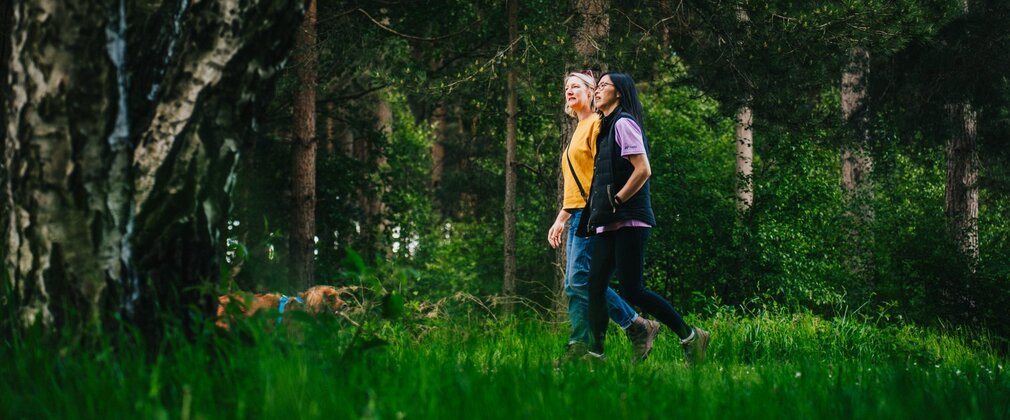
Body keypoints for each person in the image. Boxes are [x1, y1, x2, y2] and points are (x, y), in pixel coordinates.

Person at [583, 72, 710, 364]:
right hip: (609, 221)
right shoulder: (604, 127)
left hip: (629, 220)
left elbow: (643, 169)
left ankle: (691, 336)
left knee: (632, 289)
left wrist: (617, 199)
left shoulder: (624, 123)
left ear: (620, 93)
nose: (598, 90)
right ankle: (595, 354)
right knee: (595, 284)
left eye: (604, 86)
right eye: (597, 86)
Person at [548, 71, 661, 362]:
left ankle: (595, 340)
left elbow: (604, 171)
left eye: (576, 86)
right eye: (566, 87)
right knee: (575, 282)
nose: (569, 91)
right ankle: (629, 328)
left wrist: (612, 203)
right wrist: (561, 217)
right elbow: (578, 180)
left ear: (591, 92)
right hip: (576, 212)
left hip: (592, 212)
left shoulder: (598, 123)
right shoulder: (579, 127)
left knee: (581, 279)